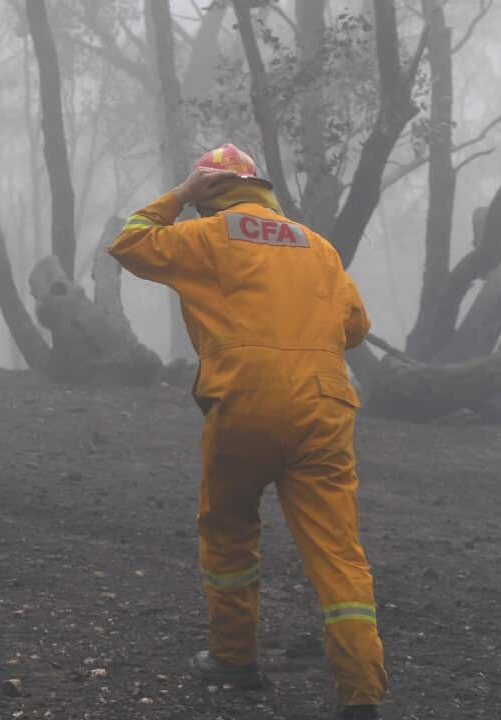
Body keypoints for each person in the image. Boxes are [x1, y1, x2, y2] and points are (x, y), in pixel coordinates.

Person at [107, 144, 387, 720]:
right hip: (325, 405)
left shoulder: (208, 237)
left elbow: (129, 242)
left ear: (213, 190)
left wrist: (180, 197)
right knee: (338, 552)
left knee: (230, 529)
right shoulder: (318, 247)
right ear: (261, 184)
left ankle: (234, 659)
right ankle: (361, 693)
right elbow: (355, 328)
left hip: (245, 402)